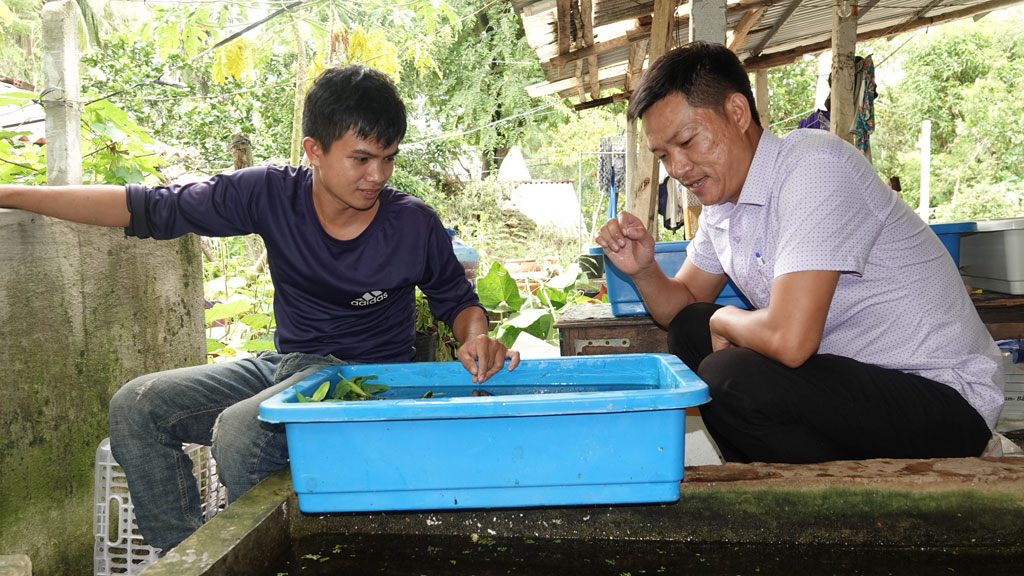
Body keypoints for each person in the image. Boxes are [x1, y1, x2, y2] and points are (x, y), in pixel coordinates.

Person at [0, 65, 520, 552]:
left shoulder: (411, 224)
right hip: (287, 367)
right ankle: (189, 557)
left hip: (364, 380)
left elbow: (458, 302)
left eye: (389, 158)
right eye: (361, 158)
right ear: (314, 150)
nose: (377, 175)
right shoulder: (270, 194)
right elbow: (148, 207)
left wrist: (475, 337)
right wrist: (11, 194)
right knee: (136, 406)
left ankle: (286, 552)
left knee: (242, 432)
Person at [594, 42, 1003, 464]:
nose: (678, 169)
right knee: (690, 329)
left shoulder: (813, 166)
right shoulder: (723, 204)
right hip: (855, 386)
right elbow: (684, 305)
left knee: (729, 375)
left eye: (687, 141)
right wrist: (643, 271)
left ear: (737, 113)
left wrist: (725, 318)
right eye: (663, 156)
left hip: (943, 399)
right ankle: (789, 478)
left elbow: (790, 341)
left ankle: (814, 490)